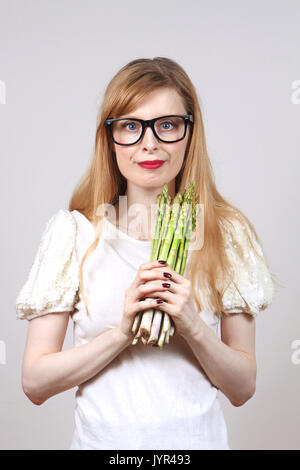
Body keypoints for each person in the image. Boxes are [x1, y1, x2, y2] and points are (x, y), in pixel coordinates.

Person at [15, 57, 276, 450]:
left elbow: (242, 388)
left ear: (191, 132)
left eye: (167, 125)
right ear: (110, 136)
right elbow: (35, 383)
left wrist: (192, 325)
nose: (149, 144)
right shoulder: (74, 233)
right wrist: (122, 332)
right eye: (131, 126)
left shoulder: (225, 233)